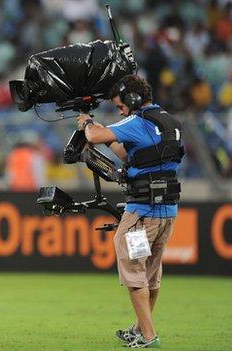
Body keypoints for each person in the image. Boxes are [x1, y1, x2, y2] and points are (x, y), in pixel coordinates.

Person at [77, 74, 184, 348]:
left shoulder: (138, 121)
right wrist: (108, 136)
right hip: (167, 212)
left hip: (141, 214)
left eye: (120, 105)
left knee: (134, 271)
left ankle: (149, 336)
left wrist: (88, 123)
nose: (120, 110)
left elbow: (93, 135)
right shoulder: (168, 121)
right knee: (151, 272)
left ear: (133, 99)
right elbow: (131, 155)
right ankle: (139, 329)